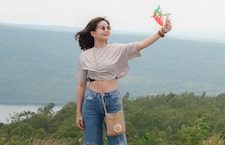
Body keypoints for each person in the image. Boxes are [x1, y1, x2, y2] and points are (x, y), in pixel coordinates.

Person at [74, 16, 172, 144]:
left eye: (108, 27)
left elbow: (141, 45)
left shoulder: (117, 49)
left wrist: (162, 31)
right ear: (93, 33)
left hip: (112, 99)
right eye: (102, 28)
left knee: (117, 140)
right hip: (91, 101)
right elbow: (81, 85)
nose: (106, 30)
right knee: (91, 142)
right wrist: (78, 113)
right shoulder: (85, 56)